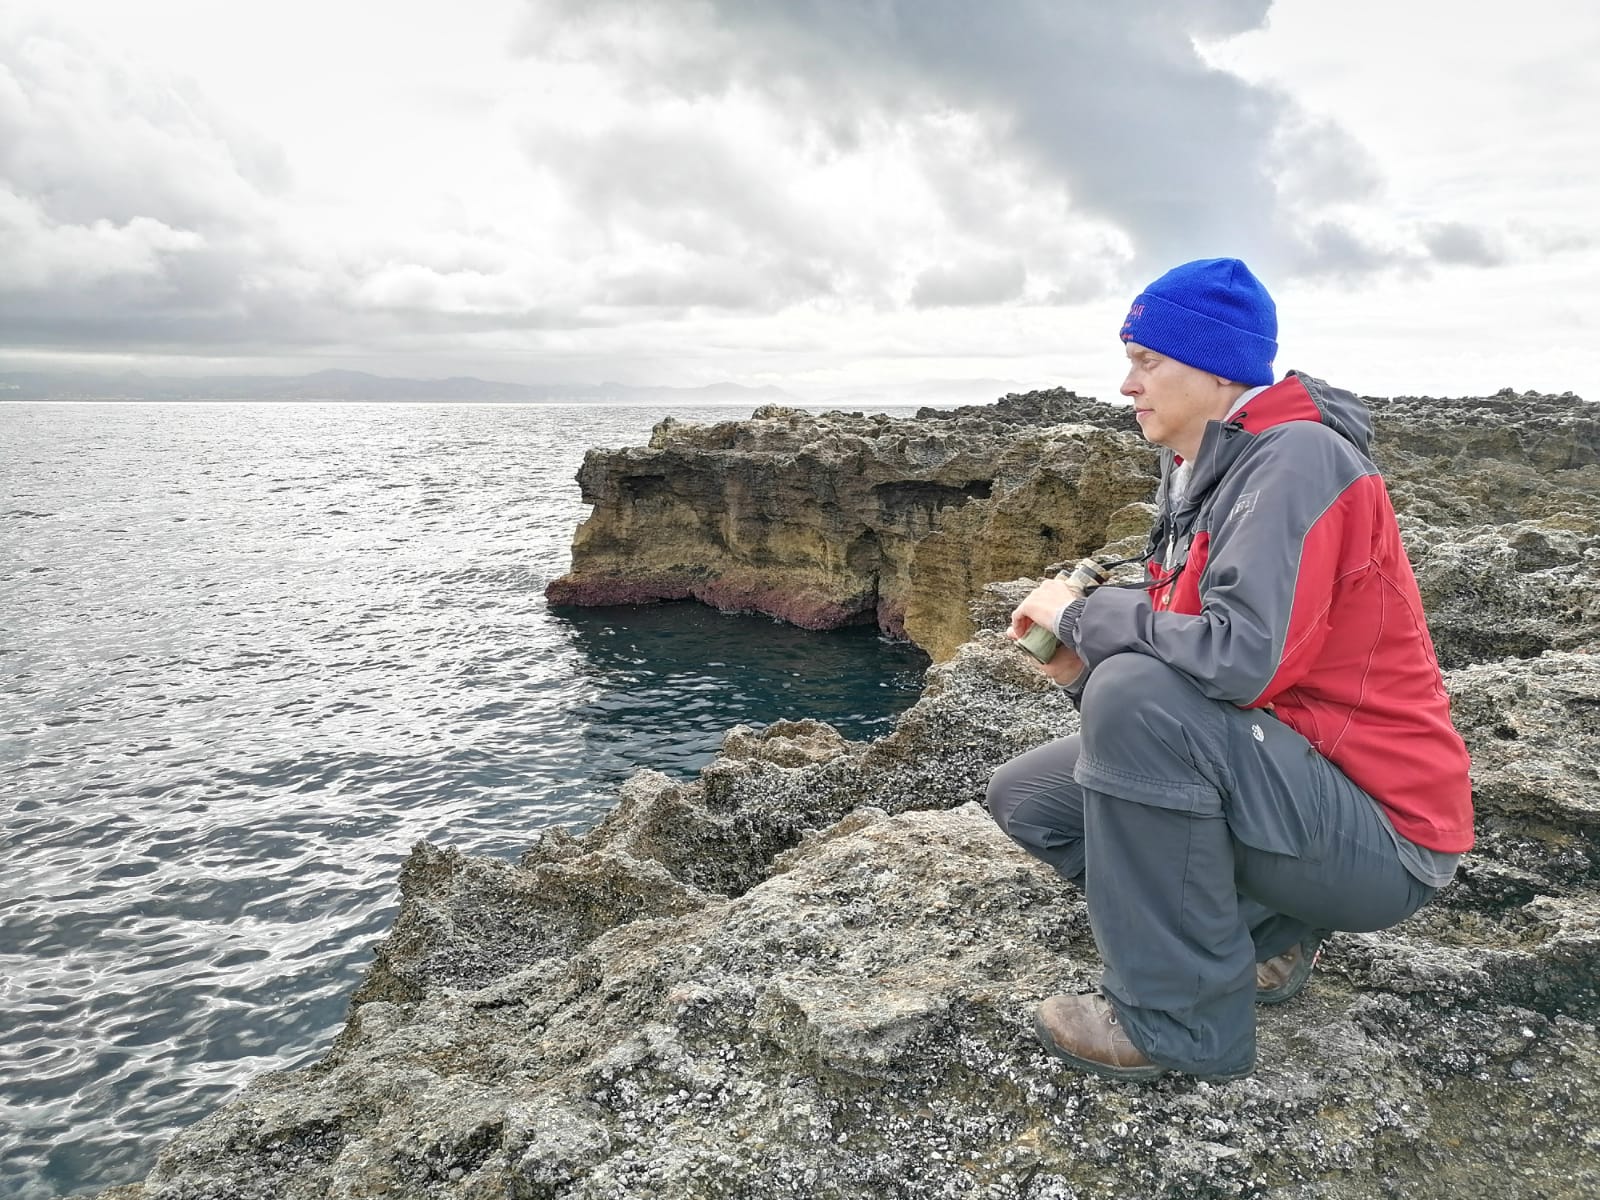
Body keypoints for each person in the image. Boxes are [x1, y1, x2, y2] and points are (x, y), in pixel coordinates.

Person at [986, 257, 1473, 1081]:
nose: (1126, 385)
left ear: (1214, 367)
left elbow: (1239, 663)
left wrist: (1086, 614)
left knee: (1130, 689)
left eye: (1147, 361)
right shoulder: (1205, 472)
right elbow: (1195, 698)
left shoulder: (1298, 459)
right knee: (1030, 800)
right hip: (1299, 789)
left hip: (1384, 836)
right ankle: (1263, 940)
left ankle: (1179, 1023)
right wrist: (1078, 667)